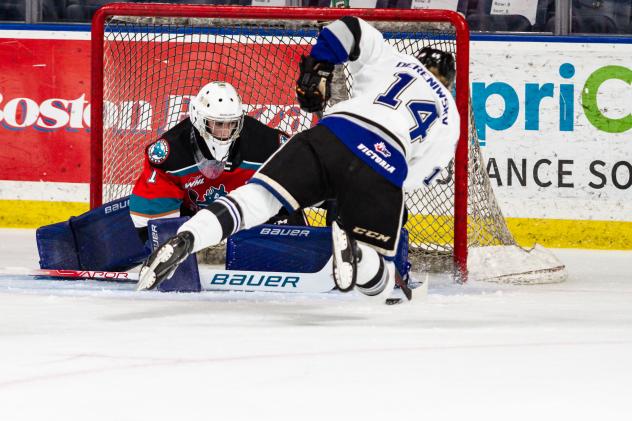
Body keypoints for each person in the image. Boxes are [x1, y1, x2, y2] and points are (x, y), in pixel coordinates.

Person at [137, 17, 460, 301]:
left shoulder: (394, 61)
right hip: (384, 157)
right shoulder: (450, 116)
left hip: (333, 130)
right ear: (448, 82)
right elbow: (415, 177)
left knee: (257, 200)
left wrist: (317, 69)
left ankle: (190, 236)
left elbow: (346, 28)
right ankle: (362, 255)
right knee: (376, 282)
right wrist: (362, 195)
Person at [130, 81, 302, 244]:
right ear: (199, 119)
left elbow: (300, 185)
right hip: (194, 231)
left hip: (252, 229)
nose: (225, 132)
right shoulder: (172, 153)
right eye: (219, 123)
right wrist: (181, 245)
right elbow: (151, 225)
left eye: (232, 123)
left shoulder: (267, 143)